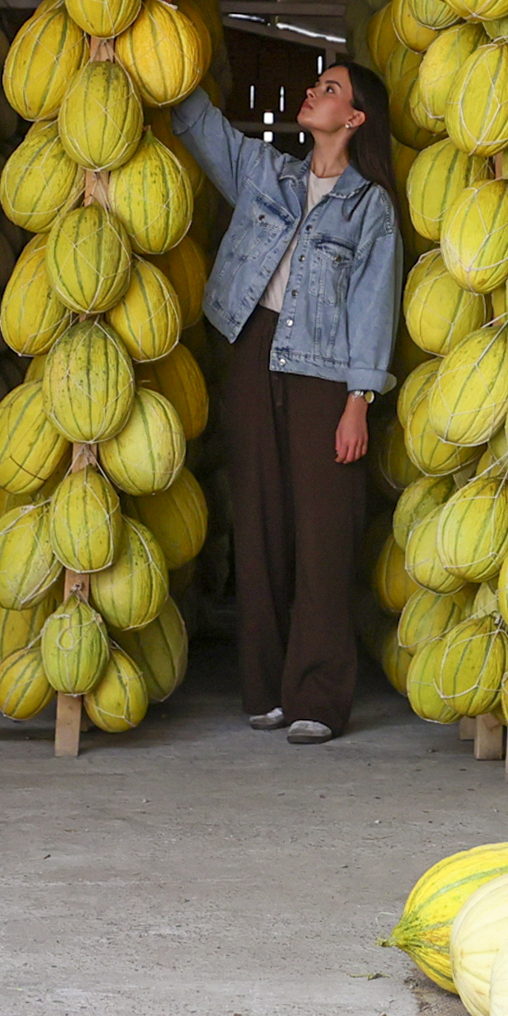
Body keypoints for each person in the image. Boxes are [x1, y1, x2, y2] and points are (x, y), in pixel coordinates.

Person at [168, 60, 402, 742]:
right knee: (259, 523)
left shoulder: (369, 207)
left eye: (330, 89)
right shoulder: (266, 172)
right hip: (251, 355)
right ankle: (265, 688)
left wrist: (358, 401)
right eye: (316, 84)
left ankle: (317, 699)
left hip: (324, 374)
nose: (312, 91)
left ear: (354, 118)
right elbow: (198, 123)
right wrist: (154, 35)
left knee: (324, 535)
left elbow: (374, 305)